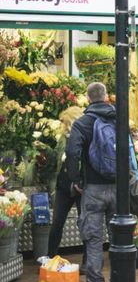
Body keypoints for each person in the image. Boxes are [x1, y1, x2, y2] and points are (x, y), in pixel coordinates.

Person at [66, 82, 116, 282]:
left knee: (94, 240)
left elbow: (72, 152)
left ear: (88, 99)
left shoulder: (82, 123)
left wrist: (75, 179)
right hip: (118, 188)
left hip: (93, 189)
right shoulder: (118, 119)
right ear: (105, 97)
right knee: (120, 239)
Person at [47, 106, 86, 268]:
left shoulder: (85, 135)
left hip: (82, 186)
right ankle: (51, 258)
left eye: (64, 122)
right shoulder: (63, 138)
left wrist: (80, 181)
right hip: (64, 185)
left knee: (84, 223)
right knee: (57, 222)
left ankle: (87, 261)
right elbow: (58, 159)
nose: (62, 125)